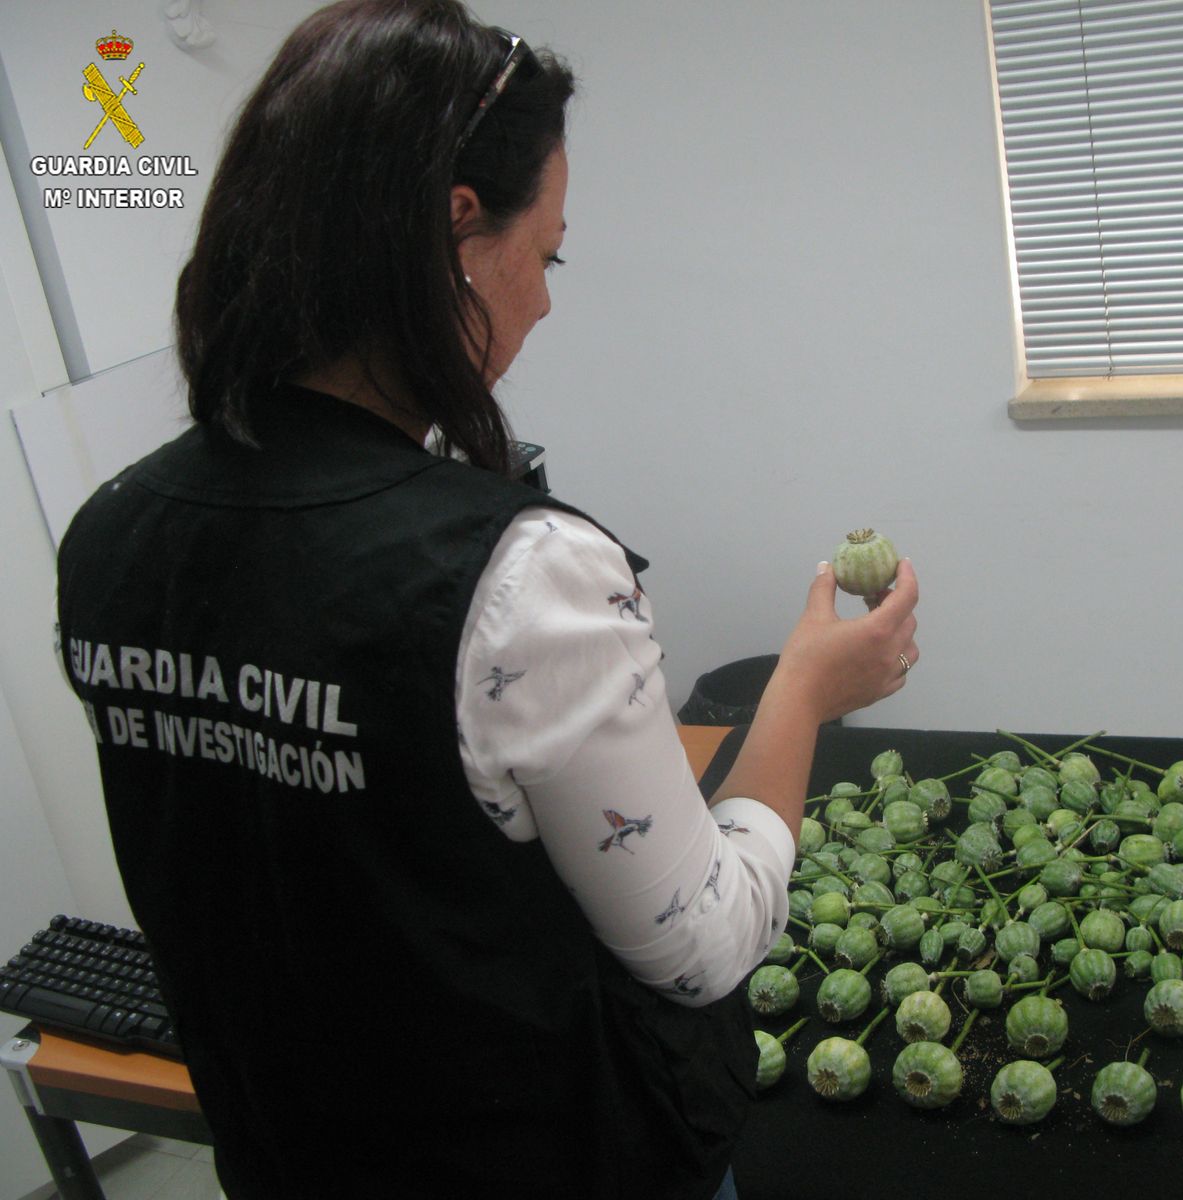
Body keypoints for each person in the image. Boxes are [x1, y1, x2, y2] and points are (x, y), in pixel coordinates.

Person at [53, 2, 919, 1197]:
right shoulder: (520, 578)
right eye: (547, 253)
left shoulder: (108, 532)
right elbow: (698, 944)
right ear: (459, 229)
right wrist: (806, 690)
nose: (548, 301)